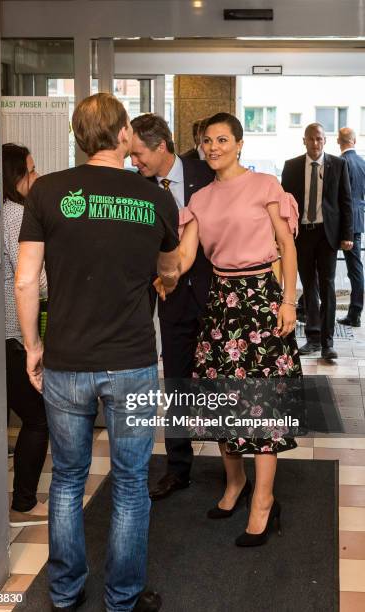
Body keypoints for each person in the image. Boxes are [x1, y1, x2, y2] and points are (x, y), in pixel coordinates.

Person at [15, 93, 180, 612]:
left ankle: (64, 594)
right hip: (131, 359)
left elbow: (24, 282)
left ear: (77, 136)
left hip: (66, 359)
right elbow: (171, 268)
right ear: (123, 134)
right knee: (130, 482)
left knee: (67, 477)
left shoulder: (46, 191)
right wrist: (160, 278)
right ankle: (123, 598)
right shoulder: (154, 196)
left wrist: (33, 347)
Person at [157, 111, 302, 546]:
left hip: (260, 300)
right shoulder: (200, 199)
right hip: (220, 304)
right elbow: (183, 257)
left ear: (240, 144)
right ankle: (234, 483)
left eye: (222, 139)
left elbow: (288, 244)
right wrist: (164, 272)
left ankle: (263, 501)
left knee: (261, 406)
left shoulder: (265, 187)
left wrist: (290, 300)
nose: (214, 147)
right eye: (207, 141)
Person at [130, 113, 214, 500]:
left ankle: (239, 466)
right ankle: (178, 467)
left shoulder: (206, 171)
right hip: (172, 298)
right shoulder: (137, 188)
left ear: (161, 146)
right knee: (178, 385)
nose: (134, 162)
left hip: (218, 292)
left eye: (138, 154)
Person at [2, 143, 49, 528]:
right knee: (38, 418)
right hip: (13, 336)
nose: (35, 177)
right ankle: (24, 503)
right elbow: (37, 282)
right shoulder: (17, 215)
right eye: (30, 170)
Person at [282, 123, 353, 360]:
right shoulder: (291, 167)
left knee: (328, 286)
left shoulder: (338, 164)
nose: (315, 143)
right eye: (311, 139)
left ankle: (328, 343)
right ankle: (312, 337)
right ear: (304, 141)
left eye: (319, 139)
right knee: (309, 286)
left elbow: (346, 202)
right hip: (302, 234)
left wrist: (347, 235)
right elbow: (285, 205)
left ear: (325, 141)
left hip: (327, 235)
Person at [337, 127, 365, 327]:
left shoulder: (340, 163)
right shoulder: (363, 163)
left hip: (340, 224)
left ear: (339, 141)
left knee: (322, 267)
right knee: (356, 270)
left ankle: (306, 308)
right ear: (354, 140)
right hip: (357, 222)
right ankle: (355, 313)